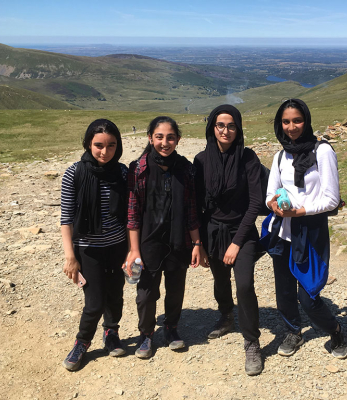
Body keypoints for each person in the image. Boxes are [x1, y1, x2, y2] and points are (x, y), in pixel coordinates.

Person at [263, 98, 347, 359]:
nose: (291, 127)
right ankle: (293, 331)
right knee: (284, 290)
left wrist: (299, 211)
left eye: (297, 120)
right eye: (286, 121)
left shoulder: (322, 151)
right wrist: (275, 205)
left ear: (307, 121)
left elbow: (331, 199)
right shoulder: (280, 155)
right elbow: (269, 194)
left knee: (308, 293)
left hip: (310, 231)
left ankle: (335, 330)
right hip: (283, 232)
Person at [194, 105, 263, 376]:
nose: (226, 130)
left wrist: (236, 242)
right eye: (221, 125)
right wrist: (198, 243)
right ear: (212, 127)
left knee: (244, 285)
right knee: (220, 280)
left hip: (242, 233)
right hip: (212, 231)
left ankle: (252, 341)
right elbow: (198, 205)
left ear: (239, 129)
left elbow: (256, 202)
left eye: (231, 126)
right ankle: (226, 316)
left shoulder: (248, 158)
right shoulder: (200, 160)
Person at [125, 116, 201, 359]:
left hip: (179, 240)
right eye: (159, 137)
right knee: (146, 292)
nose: (165, 142)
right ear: (150, 138)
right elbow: (133, 212)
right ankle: (146, 334)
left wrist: (197, 243)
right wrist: (133, 250)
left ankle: (171, 327)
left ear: (178, 139)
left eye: (170, 137)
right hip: (149, 242)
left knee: (176, 288)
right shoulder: (139, 168)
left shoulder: (186, 168)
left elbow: (191, 209)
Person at [61, 119, 128, 371]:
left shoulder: (122, 173)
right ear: (88, 144)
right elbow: (66, 219)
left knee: (116, 294)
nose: (104, 151)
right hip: (88, 249)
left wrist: (133, 250)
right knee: (95, 300)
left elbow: (130, 214)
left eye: (111, 145)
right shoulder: (74, 173)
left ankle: (111, 332)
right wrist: (70, 257)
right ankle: (83, 341)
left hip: (118, 246)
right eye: (98, 145)